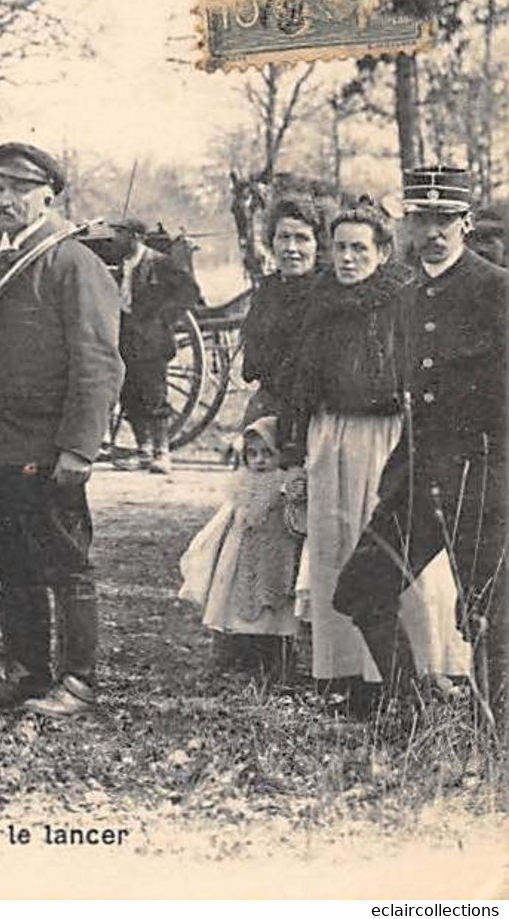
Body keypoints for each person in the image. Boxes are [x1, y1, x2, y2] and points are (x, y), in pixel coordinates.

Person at [0, 142, 124, 718]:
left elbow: (98, 362)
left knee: (64, 562)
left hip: (46, 448)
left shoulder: (72, 263)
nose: (5, 200)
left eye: (19, 189)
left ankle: (78, 682)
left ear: (47, 194)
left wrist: (78, 448)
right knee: (10, 561)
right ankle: (25, 673)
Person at [277, 206, 473, 701]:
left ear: (383, 252)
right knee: (334, 547)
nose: (347, 258)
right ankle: (344, 673)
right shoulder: (320, 303)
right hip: (331, 434)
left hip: (387, 436)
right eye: (340, 247)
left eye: (359, 248)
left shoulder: (404, 300)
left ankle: (421, 669)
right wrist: (294, 451)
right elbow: (300, 382)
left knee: (388, 547)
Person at [332, 167, 508, 718]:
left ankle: (497, 735)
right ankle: (410, 714)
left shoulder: (496, 289)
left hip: (481, 477)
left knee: (485, 612)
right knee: (361, 587)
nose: (433, 231)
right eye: (423, 219)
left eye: (445, 220)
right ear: (408, 224)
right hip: (418, 476)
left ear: (466, 222)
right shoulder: (408, 293)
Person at [177, 415, 304, 652]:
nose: (260, 460)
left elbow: (295, 516)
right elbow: (236, 516)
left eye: (267, 453)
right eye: (253, 454)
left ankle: (274, 647)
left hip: (275, 551)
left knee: (273, 596)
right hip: (243, 550)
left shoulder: (285, 481)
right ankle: (240, 646)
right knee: (240, 595)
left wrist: (289, 493)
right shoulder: (242, 482)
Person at [113, 218, 200, 474]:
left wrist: (164, 319)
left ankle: (162, 453)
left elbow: (189, 291)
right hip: (125, 337)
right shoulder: (122, 263)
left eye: (120, 234)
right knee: (129, 395)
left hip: (152, 340)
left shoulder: (160, 262)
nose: (115, 240)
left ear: (137, 237)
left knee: (155, 395)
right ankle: (143, 451)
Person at [238, 199, 326, 426]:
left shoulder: (328, 294)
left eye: (302, 239)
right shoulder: (266, 291)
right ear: (272, 242)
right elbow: (251, 367)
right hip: (268, 404)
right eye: (283, 237)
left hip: (315, 414)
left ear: (318, 244)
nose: (291, 249)